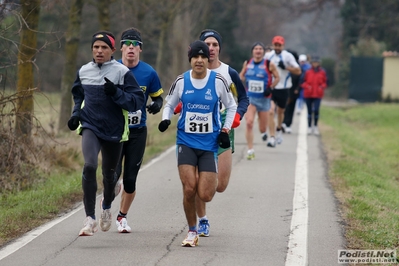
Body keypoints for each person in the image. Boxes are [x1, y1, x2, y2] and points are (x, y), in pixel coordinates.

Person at [158, 40, 237, 247]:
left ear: (207, 59)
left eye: (203, 57)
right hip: (186, 142)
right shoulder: (181, 81)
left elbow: (232, 105)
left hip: (209, 145)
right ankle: (192, 231)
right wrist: (166, 119)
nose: (199, 60)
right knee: (189, 188)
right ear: (190, 60)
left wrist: (225, 130)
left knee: (206, 194)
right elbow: (169, 104)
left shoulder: (218, 80)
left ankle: (200, 219)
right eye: (195, 57)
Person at [68, 31, 145, 236]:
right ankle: (89, 219)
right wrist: (76, 115)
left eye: (103, 47)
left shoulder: (122, 72)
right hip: (90, 125)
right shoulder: (84, 71)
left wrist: (117, 93)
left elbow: (137, 102)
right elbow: (78, 95)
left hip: (114, 130)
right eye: (95, 47)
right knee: (89, 165)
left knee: (109, 177)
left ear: (112, 50)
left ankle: (106, 207)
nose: (99, 51)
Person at [195, 29, 248, 236]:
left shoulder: (229, 73)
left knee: (221, 185)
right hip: (198, 133)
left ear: (219, 48)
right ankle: (202, 220)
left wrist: (238, 115)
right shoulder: (194, 72)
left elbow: (243, 99)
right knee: (201, 183)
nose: (211, 48)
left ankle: (205, 196)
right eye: (207, 44)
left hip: (223, 132)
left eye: (215, 44)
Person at [114, 27, 164, 233]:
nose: (131, 49)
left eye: (135, 45)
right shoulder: (111, 68)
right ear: (121, 49)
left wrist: (157, 105)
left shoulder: (149, 73)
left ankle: (122, 217)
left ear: (140, 50)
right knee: (112, 176)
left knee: (130, 179)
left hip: (137, 131)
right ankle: (108, 202)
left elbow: (158, 97)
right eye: (127, 44)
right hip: (114, 130)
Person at [239, 42, 280, 159]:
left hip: (264, 99)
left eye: (260, 49)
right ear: (252, 51)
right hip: (250, 98)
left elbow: (277, 77)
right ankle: (250, 150)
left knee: (262, 128)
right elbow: (241, 76)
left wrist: (271, 87)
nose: (258, 51)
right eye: (255, 49)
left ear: (263, 52)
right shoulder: (248, 63)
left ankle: (264, 132)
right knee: (249, 122)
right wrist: (239, 82)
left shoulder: (269, 64)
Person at [263, 36, 301, 147]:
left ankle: (279, 129)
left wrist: (286, 67)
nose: (277, 47)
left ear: (283, 46)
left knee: (280, 112)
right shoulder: (268, 56)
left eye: (279, 45)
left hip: (284, 88)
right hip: (272, 88)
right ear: (273, 45)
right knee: (270, 111)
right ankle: (272, 137)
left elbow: (298, 71)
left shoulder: (288, 56)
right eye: (275, 45)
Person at [301, 55, 328, 135]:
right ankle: (309, 127)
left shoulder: (323, 72)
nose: (315, 64)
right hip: (308, 94)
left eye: (316, 62)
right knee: (309, 111)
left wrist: (321, 87)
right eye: (314, 62)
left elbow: (326, 82)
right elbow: (302, 82)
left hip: (318, 94)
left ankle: (315, 126)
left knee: (316, 110)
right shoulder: (307, 71)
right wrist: (307, 86)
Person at [281, 50, 300, 134]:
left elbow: (300, 79)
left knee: (291, 108)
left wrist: (297, 89)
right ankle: (282, 123)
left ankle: (288, 124)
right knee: (284, 108)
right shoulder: (283, 67)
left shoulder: (297, 68)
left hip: (293, 92)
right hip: (284, 90)